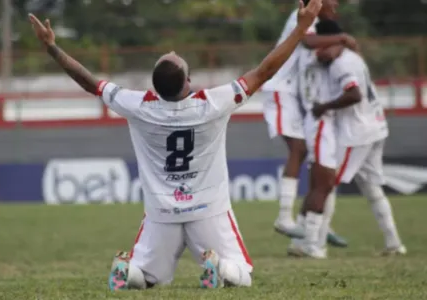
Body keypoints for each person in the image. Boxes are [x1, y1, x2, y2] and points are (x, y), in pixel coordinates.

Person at [29, 0, 322, 290]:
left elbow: (89, 82)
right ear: (188, 82)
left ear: (155, 88)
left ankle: (128, 271)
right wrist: (301, 28)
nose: (171, 51)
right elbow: (265, 71)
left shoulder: (139, 105)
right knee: (242, 273)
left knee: (145, 275)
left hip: (161, 214)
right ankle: (219, 266)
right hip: (209, 210)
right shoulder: (212, 103)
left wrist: (52, 48)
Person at [293, 19, 406, 257]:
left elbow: (354, 94)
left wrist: (325, 106)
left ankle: (315, 244)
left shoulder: (340, 64)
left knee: (327, 184)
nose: (318, 52)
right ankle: (394, 243)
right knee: (373, 189)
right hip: (376, 127)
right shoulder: (354, 58)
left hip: (357, 132)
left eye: (320, 47)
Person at [263, 0, 353, 248]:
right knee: (300, 149)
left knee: (318, 160)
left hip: (298, 95)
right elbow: (307, 41)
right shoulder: (304, 15)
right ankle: (284, 217)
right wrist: (343, 39)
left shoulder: (322, 26)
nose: (335, 4)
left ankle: (314, 222)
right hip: (281, 89)